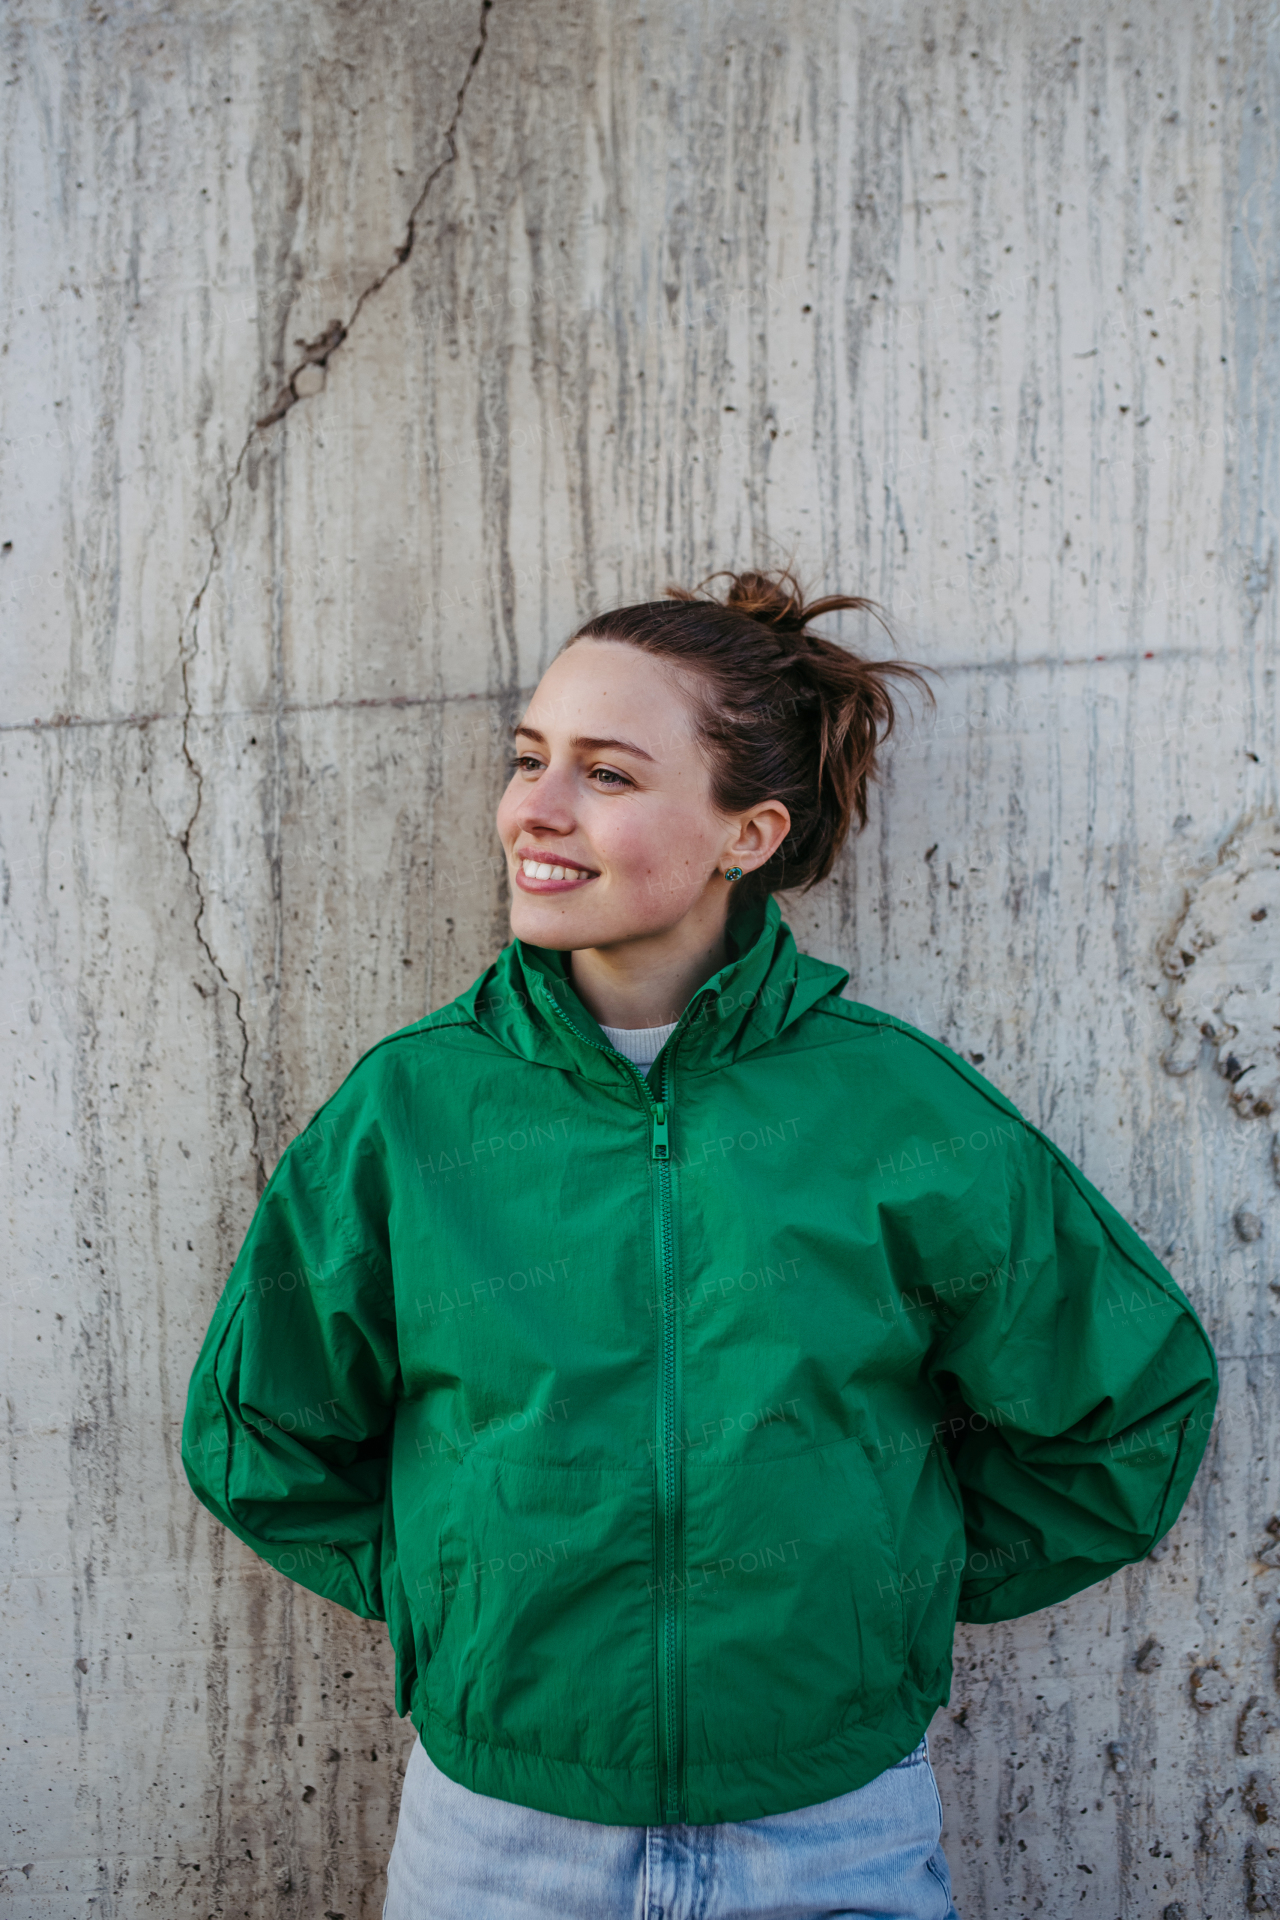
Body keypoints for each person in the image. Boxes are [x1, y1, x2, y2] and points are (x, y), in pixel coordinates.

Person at [182, 569, 1218, 1919]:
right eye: (529, 758)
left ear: (749, 835)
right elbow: (259, 1430)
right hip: (502, 1840)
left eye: (607, 775)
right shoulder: (412, 1111)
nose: (534, 812)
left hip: (831, 1827)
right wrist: (461, 1594)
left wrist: (880, 1596)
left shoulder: (895, 1109)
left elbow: (1127, 1408)